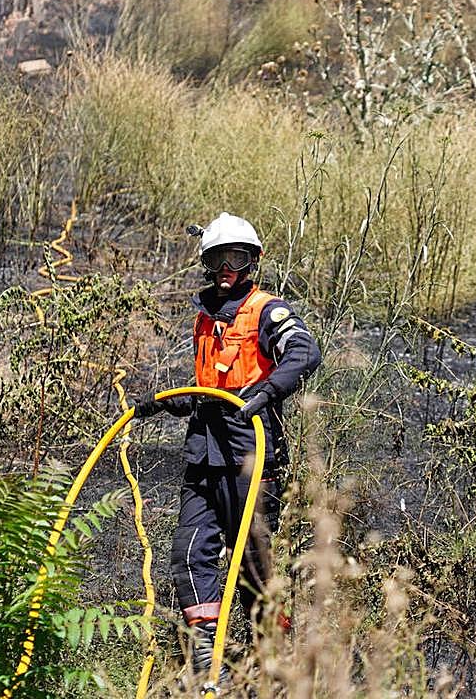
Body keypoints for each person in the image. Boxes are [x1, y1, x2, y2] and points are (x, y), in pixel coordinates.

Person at [134, 212, 321, 687]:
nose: (226, 267)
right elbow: (209, 386)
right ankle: (204, 665)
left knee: (254, 570)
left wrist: (267, 391)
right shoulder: (204, 316)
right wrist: (166, 403)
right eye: (217, 258)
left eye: (235, 257)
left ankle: (273, 669)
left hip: (251, 460)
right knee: (189, 554)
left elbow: (304, 352)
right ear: (206, 262)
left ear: (253, 261)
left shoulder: (266, 311)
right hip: (203, 457)